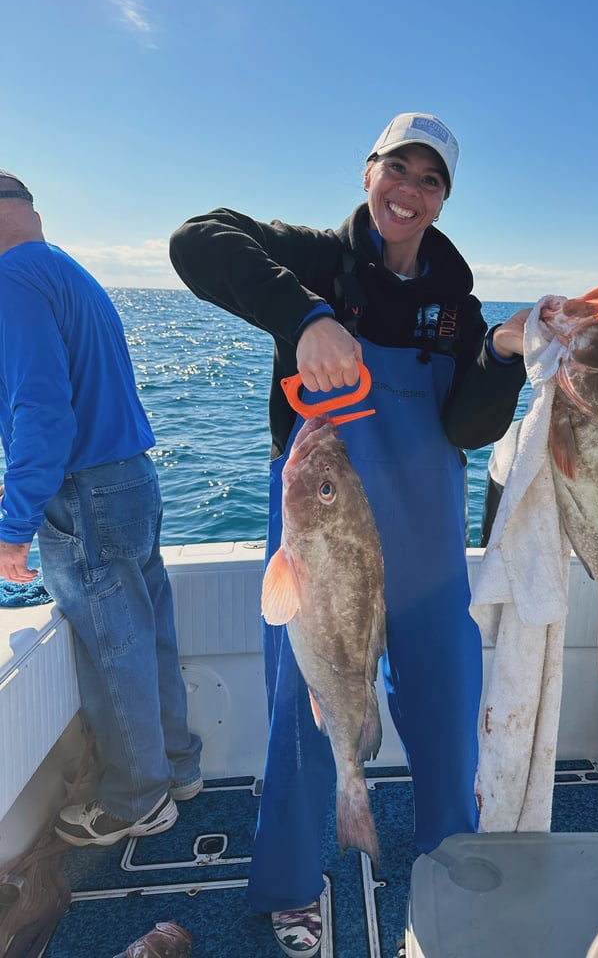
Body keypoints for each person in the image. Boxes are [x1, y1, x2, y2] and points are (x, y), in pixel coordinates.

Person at [169, 113, 530, 957]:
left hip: (426, 536)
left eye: (429, 179)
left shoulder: (457, 306)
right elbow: (195, 241)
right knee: (304, 706)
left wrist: (502, 354)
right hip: (323, 528)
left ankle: (450, 852)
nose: (408, 191)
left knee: (445, 698)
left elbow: (471, 429)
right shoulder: (313, 260)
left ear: (444, 199)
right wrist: (305, 316)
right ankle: (295, 886)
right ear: (368, 172)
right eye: (396, 169)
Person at [0, 170, 202, 846]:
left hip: (83, 494)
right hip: (131, 481)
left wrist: (14, 524)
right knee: (150, 637)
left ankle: (137, 800)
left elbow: (43, 412)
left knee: (113, 652)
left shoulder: (13, 280)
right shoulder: (66, 269)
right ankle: (178, 767)